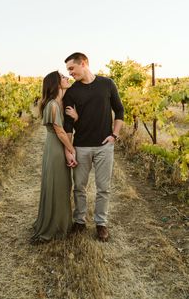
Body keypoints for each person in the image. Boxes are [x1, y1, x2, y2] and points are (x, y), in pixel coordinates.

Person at [63, 52, 124, 242]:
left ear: (84, 63)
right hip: (81, 146)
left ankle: (101, 224)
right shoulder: (72, 92)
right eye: (68, 70)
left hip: (104, 147)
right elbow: (67, 125)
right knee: (79, 187)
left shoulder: (107, 84)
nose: (70, 73)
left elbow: (120, 110)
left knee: (103, 188)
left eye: (72, 68)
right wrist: (69, 150)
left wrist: (114, 134)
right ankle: (80, 221)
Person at [31, 71, 78, 243]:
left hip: (59, 146)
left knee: (63, 184)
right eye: (63, 77)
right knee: (56, 184)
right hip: (56, 147)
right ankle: (52, 227)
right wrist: (71, 149)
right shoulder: (52, 105)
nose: (67, 78)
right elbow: (59, 131)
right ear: (56, 83)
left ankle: (61, 223)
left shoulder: (61, 102)